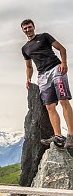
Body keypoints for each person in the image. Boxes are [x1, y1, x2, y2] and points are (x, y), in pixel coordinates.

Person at [21, 19, 73, 149]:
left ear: (34, 27)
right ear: (22, 30)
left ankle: (71, 135)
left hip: (56, 69)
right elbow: (29, 66)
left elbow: (62, 49)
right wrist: (28, 78)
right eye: (25, 28)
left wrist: (64, 63)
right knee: (50, 106)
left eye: (29, 27)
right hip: (42, 76)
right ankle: (58, 136)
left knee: (63, 100)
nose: (28, 30)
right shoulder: (25, 48)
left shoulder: (44, 37)